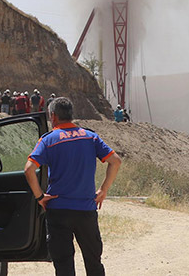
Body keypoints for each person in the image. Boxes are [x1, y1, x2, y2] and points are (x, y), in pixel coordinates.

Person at [25, 97, 121, 276]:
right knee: (93, 262)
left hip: (58, 210)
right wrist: (103, 189)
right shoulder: (90, 137)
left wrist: (40, 197)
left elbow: (29, 170)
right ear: (71, 115)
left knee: (63, 265)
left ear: (53, 116)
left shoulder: (48, 140)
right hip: (86, 209)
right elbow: (115, 161)